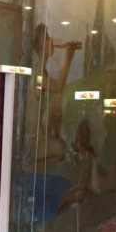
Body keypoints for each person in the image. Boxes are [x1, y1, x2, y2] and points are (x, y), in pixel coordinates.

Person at [30, 23, 81, 162]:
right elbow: (58, 86)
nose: (51, 41)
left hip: (39, 127)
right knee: (61, 148)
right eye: (47, 38)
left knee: (59, 97)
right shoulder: (38, 71)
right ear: (41, 45)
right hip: (33, 136)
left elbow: (57, 90)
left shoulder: (40, 68)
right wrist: (68, 59)